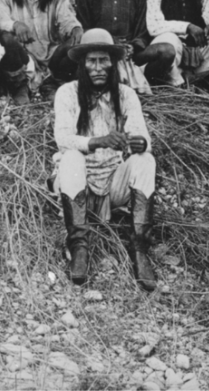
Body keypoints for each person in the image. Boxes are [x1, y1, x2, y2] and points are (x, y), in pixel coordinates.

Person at [52, 29, 157, 291]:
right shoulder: (66, 93)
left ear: (113, 63)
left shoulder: (126, 95)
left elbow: (142, 135)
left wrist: (137, 142)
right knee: (71, 157)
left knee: (145, 159)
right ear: (82, 64)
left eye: (103, 61)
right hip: (79, 185)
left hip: (113, 183)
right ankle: (79, 246)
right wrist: (97, 142)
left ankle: (139, 249)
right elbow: (62, 139)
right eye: (91, 61)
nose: (98, 68)